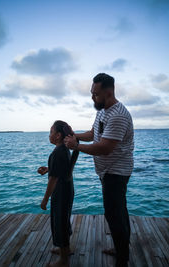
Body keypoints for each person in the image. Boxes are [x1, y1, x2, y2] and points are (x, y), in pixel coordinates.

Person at [64, 73, 134, 267]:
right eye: (91, 93)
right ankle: (122, 247)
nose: (92, 97)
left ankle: (122, 259)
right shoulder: (102, 110)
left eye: (95, 94)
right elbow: (93, 134)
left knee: (114, 214)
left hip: (117, 171)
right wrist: (75, 136)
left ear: (108, 92)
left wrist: (75, 147)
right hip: (107, 171)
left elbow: (104, 148)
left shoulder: (119, 115)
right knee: (119, 211)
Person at [38, 120, 79, 267]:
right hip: (68, 190)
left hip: (60, 192)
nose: (49, 135)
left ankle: (63, 261)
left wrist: (45, 200)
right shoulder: (65, 149)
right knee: (64, 219)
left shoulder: (56, 153)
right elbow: (62, 169)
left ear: (58, 135)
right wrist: (49, 169)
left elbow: (53, 180)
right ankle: (65, 250)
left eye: (51, 132)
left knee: (59, 222)